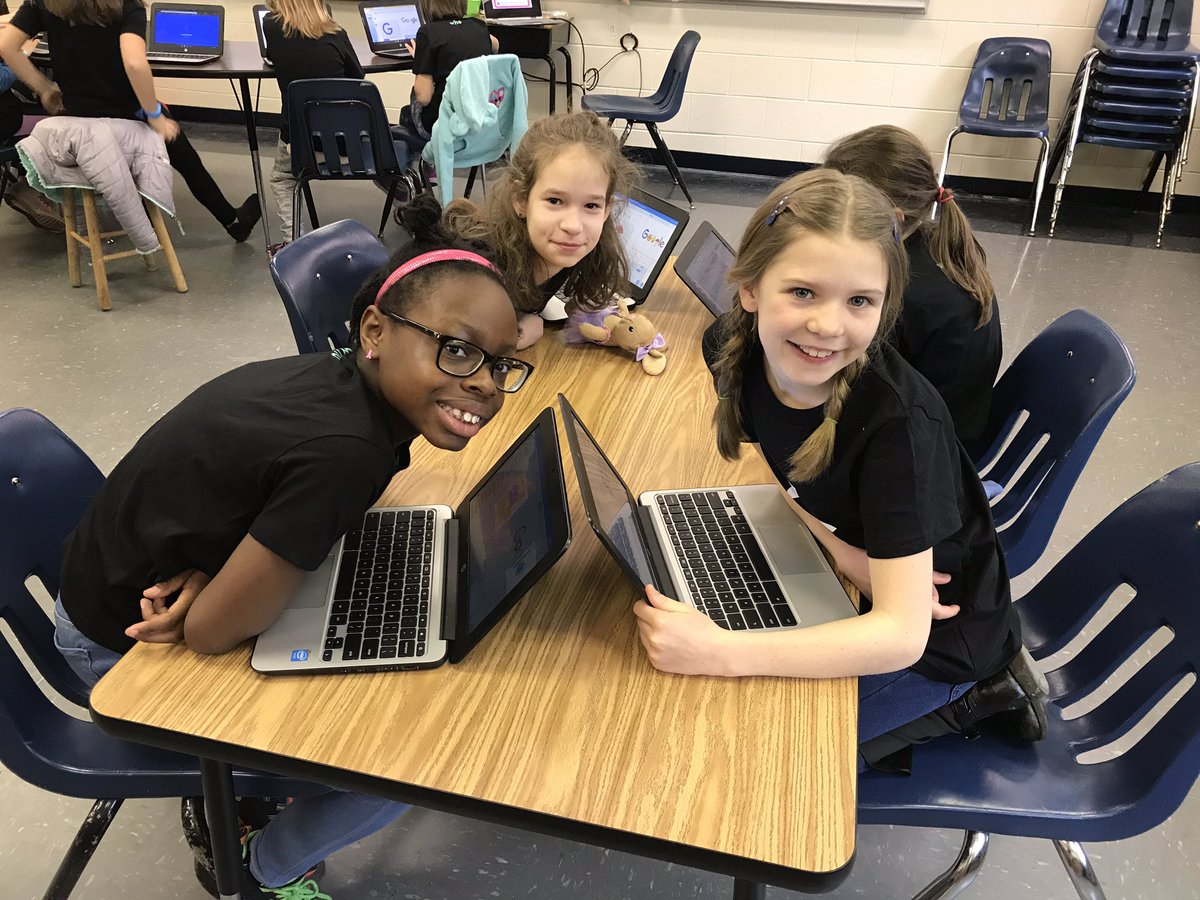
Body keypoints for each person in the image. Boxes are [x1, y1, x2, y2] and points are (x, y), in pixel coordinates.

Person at [52, 196, 531, 898]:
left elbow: (254, 497)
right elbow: (213, 632)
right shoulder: (346, 452)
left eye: (500, 364)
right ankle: (256, 870)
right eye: (457, 350)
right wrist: (219, 594)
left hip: (122, 582)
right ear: (375, 329)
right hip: (119, 644)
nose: (485, 385)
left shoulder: (340, 390)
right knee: (418, 764)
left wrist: (222, 565)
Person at [635, 169, 1043, 773]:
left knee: (744, 756)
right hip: (866, 573)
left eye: (859, 301)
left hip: (938, 644)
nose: (827, 326)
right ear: (749, 288)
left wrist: (723, 650)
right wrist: (841, 551)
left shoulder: (898, 427)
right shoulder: (737, 346)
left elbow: (901, 635)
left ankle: (977, 698)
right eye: (802, 292)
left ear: (886, 306)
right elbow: (794, 476)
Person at [0, 0, 262, 242]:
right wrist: (155, 115)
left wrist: (45, 88)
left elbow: (6, 45)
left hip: (76, 116)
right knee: (187, 160)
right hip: (125, 116)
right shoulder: (125, 5)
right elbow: (135, 63)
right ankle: (232, 221)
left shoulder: (42, 3)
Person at [823, 125, 1002, 445]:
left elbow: (847, 392)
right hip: (952, 427)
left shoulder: (897, 295)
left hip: (920, 451)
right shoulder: (937, 241)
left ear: (892, 218)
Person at [445, 110, 639, 349]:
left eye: (591, 205)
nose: (573, 226)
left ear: (607, 209)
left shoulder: (566, 250)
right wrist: (518, 334)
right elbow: (454, 346)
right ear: (521, 200)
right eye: (555, 201)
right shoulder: (482, 267)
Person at [262, 0, 364, 246]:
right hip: (345, 145)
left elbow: (273, 56)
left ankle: (294, 243)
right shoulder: (338, 35)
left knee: (282, 178)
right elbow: (357, 76)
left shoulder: (271, 27)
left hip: (299, 142)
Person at [394, 0, 497, 156]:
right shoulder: (479, 27)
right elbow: (495, 45)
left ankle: (425, 167)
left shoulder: (428, 33)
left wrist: (422, 60)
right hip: (479, 121)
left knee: (407, 113)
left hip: (444, 123)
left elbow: (424, 98)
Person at [0, 0, 66, 231]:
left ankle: (27, 184)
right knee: (60, 122)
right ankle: (30, 186)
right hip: (4, 121)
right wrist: (20, 56)